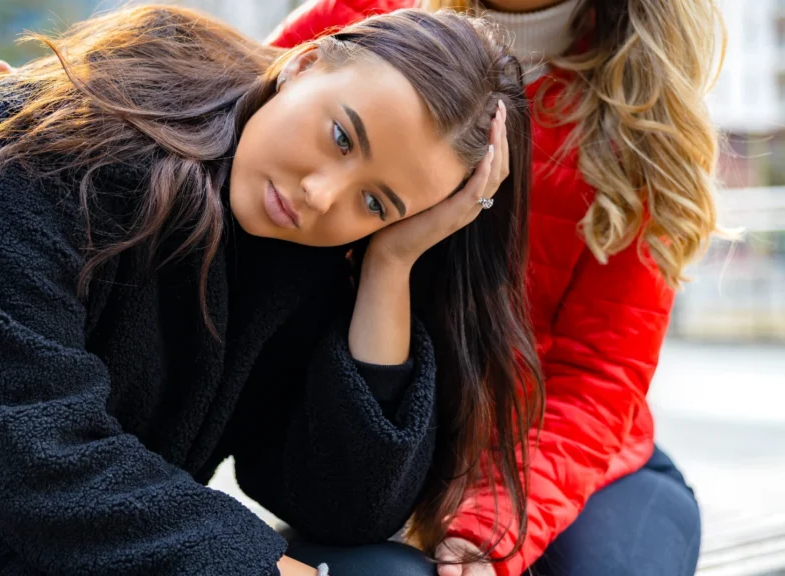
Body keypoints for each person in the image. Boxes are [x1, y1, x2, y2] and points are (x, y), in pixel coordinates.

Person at [0, 6, 543, 576]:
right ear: (307, 65)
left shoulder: (304, 247)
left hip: (87, 553)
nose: (320, 194)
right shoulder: (34, 143)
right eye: (342, 137)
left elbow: (344, 510)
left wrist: (390, 264)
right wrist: (252, 568)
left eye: (375, 202)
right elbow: (36, 452)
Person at [223, 1, 723, 575]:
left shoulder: (643, 127)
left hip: (563, 461)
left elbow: (600, 378)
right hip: (380, 438)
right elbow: (237, 135)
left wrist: (493, 522)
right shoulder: (368, 20)